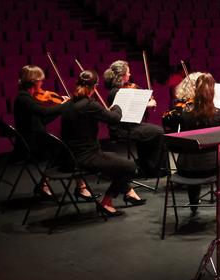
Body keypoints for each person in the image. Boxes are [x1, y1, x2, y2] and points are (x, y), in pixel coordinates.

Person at [60, 70, 145, 217]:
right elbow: (116, 119)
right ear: (95, 86)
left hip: (69, 156)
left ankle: (129, 192)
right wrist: (117, 106)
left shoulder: (69, 103)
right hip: (85, 158)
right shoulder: (89, 105)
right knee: (130, 166)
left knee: (113, 159)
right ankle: (106, 203)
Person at [12, 65, 70, 198]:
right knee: (65, 150)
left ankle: (44, 184)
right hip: (30, 143)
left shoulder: (27, 97)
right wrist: (63, 106)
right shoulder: (24, 98)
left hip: (35, 138)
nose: (42, 83)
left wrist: (60, 109)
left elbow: (42, 120)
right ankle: (46, 183)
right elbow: (43, 112)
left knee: (64, 149)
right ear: (33, 81)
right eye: (40, 81)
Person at [177, 73, 220, 213]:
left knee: (194, 158)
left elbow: (183, 142)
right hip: (211, 168)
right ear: (212, 91)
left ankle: (194, 203)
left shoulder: (185, 114)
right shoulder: (219, 115)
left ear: (195, 91)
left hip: (185, 168)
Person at [103, 60, 165, 176]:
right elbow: (129, 107)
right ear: (121, 76)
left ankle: (147, 165)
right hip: (122, 129)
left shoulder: (120, 90)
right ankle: (154, 169)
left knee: (151, 130)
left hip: (130, 126)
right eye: (128, 73)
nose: (130, 75)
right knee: (159, 132)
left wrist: (144, 96)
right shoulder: (117, 92)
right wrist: (147, 103)